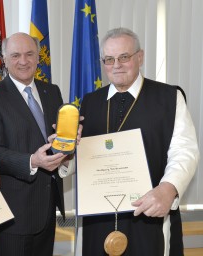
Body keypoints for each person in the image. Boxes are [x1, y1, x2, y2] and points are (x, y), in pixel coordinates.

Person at [79, 27, 199, 255]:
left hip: (150, 212)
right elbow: (83, 158)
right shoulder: (89, 102)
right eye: (109, 59)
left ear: (140, 57)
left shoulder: (169, 97)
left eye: (124, 57)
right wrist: (63, 152)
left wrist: (168, 188)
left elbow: (185, 151)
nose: (116, 65)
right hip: (99, 218)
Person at [0, 32, 78, 256]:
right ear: (4, 58)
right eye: (15, 55)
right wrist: (32, 161)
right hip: (14, 214)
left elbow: (55, 140)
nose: (23, 61)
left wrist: (69, 143)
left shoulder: (52, 91)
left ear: (38, 57)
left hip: (48, 207)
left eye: (30, 54)